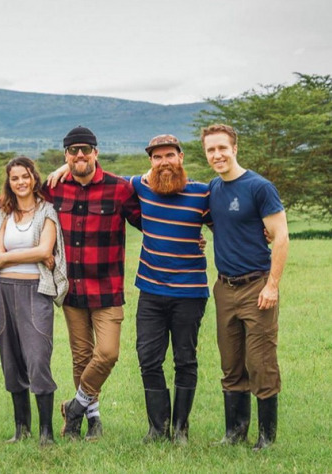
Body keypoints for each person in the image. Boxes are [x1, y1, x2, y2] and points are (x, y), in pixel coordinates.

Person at [42, 126, 142, 441]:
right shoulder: (54, 188)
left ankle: (74, 407)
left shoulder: (119, 188)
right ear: (66, 155)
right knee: (81, 357)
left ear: (96, 153)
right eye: (73, 151)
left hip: (107, 288)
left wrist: (193, 233)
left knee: (108, 353)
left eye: (85, 149)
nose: (80, 155)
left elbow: (148, 220)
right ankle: (90, 419)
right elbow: (18, 198)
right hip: (71, 289)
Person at [201, 124, 288, 451]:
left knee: (261, 362)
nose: (217, 155)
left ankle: (266, 437)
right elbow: (218, 224)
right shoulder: (213, 188)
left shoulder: (259, 187)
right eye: (211, 150)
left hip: (257, 286)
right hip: (224, 287)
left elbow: (281, 236)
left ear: (235, 148)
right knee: (231, 361)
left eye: (222, 148)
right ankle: (235, 432)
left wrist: (272, 285)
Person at [0, 156, 68, 446]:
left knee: (38, 358)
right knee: (11, 359)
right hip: (3, 291)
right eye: (15, 178)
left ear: (34, 179)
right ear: (9, 182)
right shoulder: (1, 216)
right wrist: (18, 256)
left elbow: (44, 251)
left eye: (25, 176)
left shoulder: (47, 212)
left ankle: (47, 432)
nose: (20, 182)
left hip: (35, 291)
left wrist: (9, 257)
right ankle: (21, 429)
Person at [131, 135, 211, 444]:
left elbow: (227, 225)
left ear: (181, 157)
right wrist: (63, 167)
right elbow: (100, 177)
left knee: (185, 359)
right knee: (148, 359)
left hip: (190, 293)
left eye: (169, 155)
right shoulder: (141, 187)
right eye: (157, 157)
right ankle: (157, 428)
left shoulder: (202, 193)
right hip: (150, 292)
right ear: (150, 162)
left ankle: (180, 429)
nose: (164, 162)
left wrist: (264, 232)